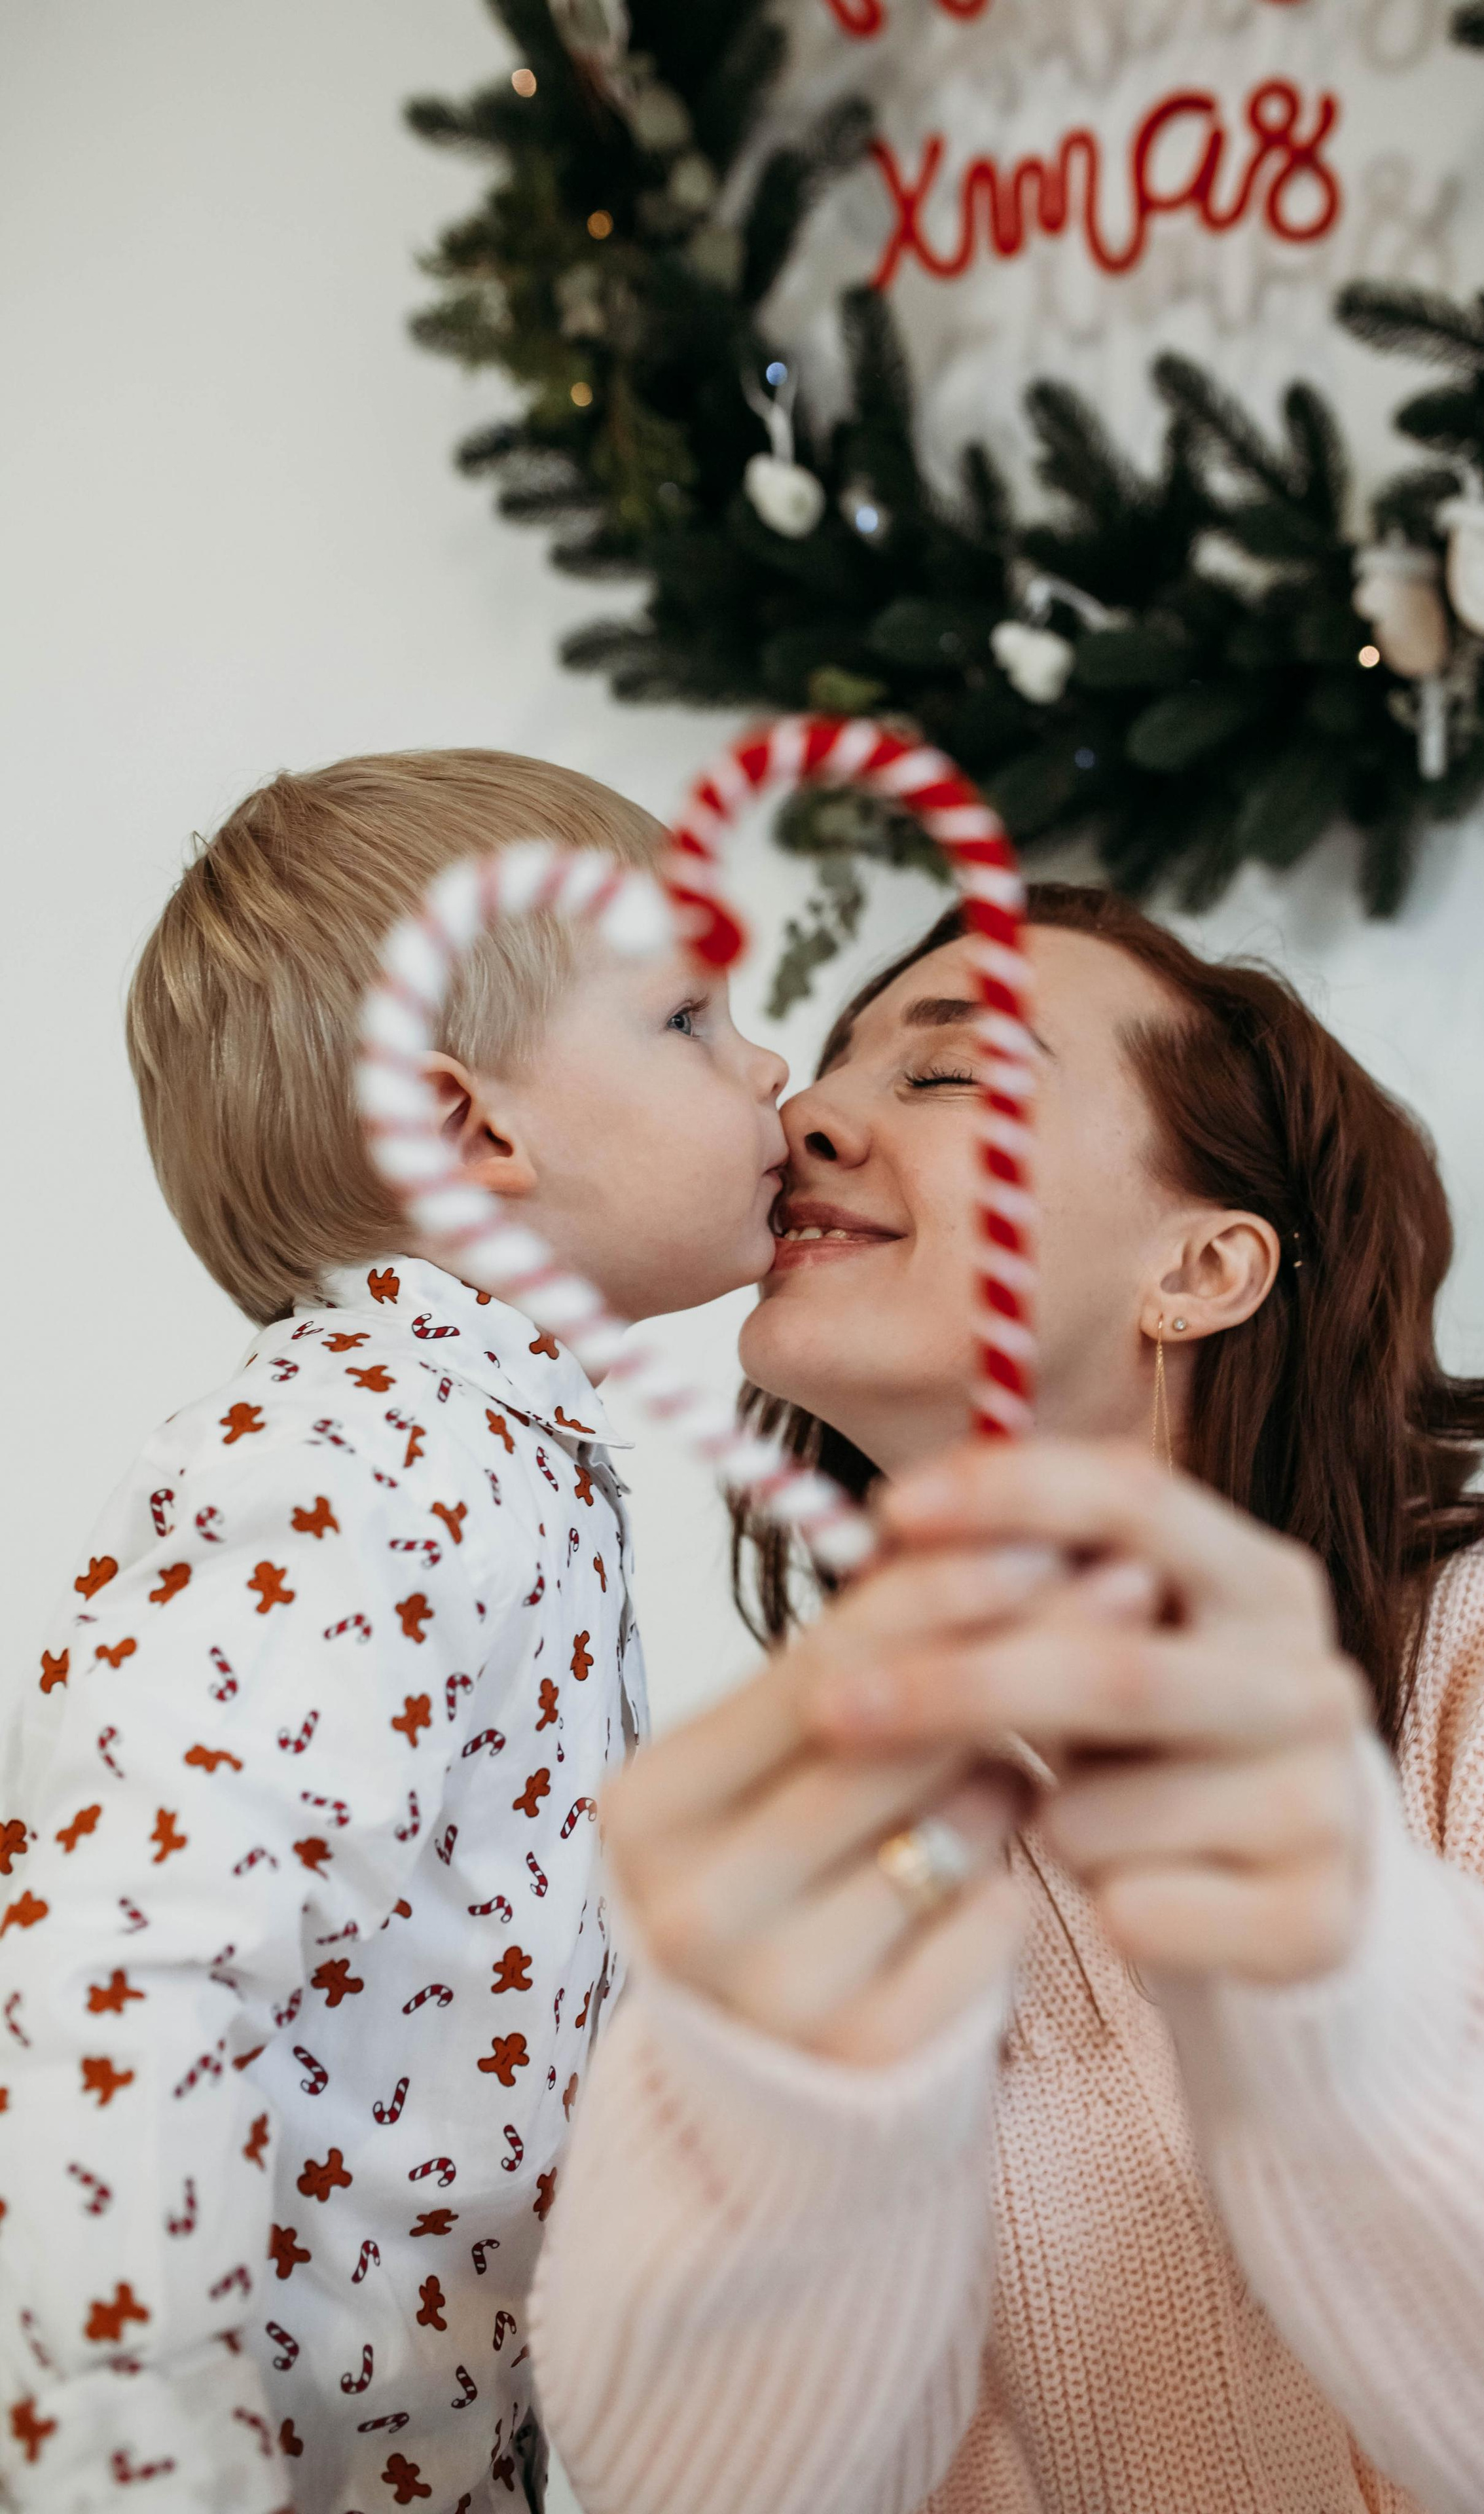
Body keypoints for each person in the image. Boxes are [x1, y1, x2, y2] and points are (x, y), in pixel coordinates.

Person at [532, 883, 1484, 2514]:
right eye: (837, 1067)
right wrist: (779, 2103)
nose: (803, 1114)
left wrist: (1335, 1972)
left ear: (1200, 1267)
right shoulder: (826, 1840)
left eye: (946, 1074)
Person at [0, 750, 789, 2513]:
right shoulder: (353, 1464)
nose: (770, 1070)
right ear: (469, 1130)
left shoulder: (489, 1447)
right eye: (690, 1020)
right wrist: (140, 2461)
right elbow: (129, 1959)